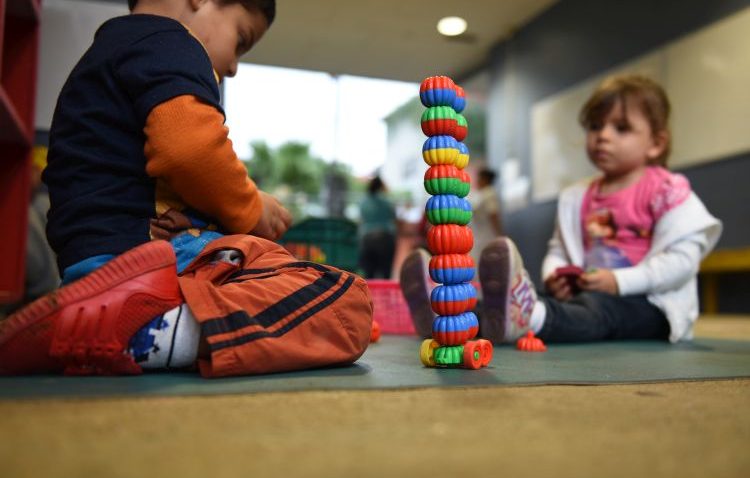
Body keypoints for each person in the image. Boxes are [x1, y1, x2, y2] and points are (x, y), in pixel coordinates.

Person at [0, 0, 373, 377]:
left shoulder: (111, 55)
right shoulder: (170, 40)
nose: (233, 67)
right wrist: (252, 209)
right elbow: (190, 151)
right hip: (142, 272)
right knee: (345, 302)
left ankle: (115, 323)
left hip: (92, 268)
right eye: (241, 39)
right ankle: (145, 334)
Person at [402, 74, 721, 344]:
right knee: (546, 295)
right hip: (583, 295)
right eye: (596, 126)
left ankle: (530, 317)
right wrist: (554, 274)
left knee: (598, 312)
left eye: (621, 128)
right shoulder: (578, 195)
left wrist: (618, 282)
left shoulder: (667, 190)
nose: (603, 136)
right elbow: (559, 250)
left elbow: (683, 260)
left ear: (656, 143)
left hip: (649, 305)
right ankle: (454, 317)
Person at [358, 176, 397, 279]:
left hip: (367, 238)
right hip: (386, 237)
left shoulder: (363, 202)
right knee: (386, 272)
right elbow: (394, 218)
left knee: (368, 273)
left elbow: (361, 219)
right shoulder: (387, 202)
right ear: (381, 187)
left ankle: (368, 294)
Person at [469, 167, 502, 267]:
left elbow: (493, 215)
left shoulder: (489, 194)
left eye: (479, 178)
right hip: (478, 237)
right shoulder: (480, 194)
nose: (477, 181)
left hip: (487, 237)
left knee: (486, 265)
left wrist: (499, 235)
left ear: (485, 179)